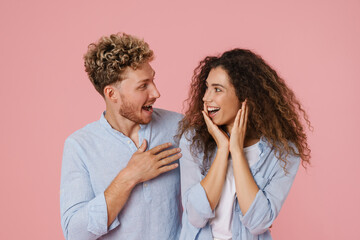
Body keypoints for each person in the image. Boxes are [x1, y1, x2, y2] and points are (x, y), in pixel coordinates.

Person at [177, 49, 311, 240]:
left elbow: (258, 223)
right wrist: (223, 149)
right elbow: (196, 216)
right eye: (206, 87)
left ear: (244, 96)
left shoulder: (283, 153)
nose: (206, 98)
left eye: (217, 89)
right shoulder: (192, 141)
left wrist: (237, 152)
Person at [60, 33, 183, 240]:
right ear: (111, 94)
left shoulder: (179, 127)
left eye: (153, 80)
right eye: (143, 85)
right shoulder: (80, 146)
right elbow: (76, 233)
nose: (156, 93)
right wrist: (130, 176)